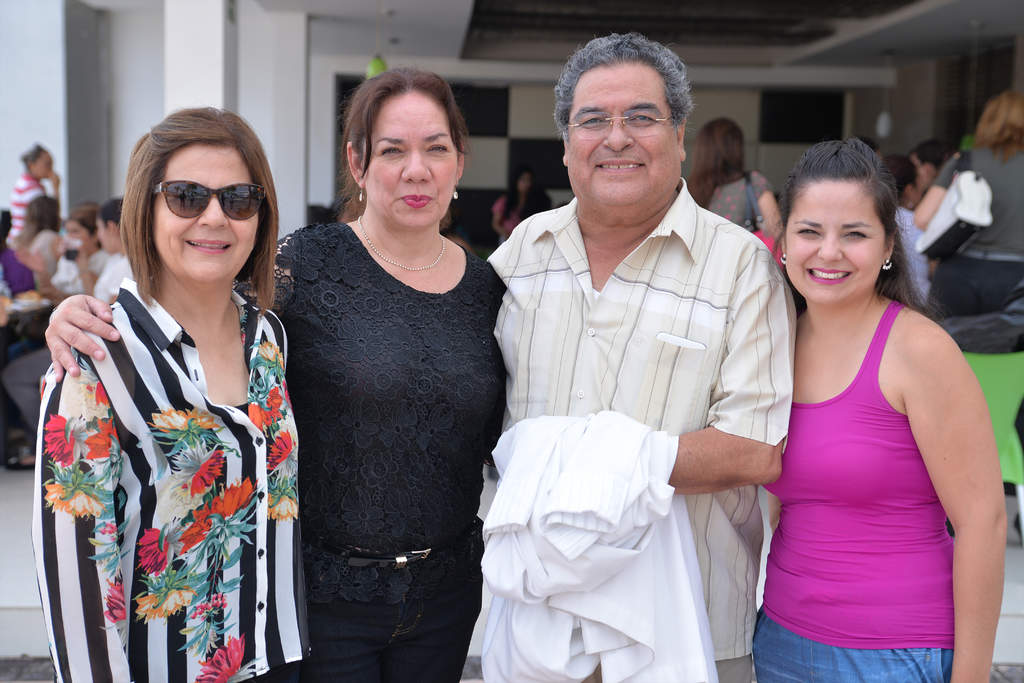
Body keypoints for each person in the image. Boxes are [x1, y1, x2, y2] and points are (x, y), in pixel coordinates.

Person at [45, 68, 506, 683]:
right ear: (357, 162)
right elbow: (192, 281)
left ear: (460, 161)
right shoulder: (304, 267)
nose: (416, 170)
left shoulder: (486, 289)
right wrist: (76, 313)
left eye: (436, 148)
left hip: (432, 596)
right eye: (393, 149)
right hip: (324, 603)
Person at [488, 33, 794, 683]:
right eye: (593, 120)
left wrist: (602, 462)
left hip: (690, 628)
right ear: (566, 143)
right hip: (538, 624)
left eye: (641, 117)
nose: (617, 138)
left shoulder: (741, 267)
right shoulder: (520, 256)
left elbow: (755, 449)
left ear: (679, 136)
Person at [32, 107, 307, 682]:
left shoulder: (269, 339)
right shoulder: (93, 362)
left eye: (239, 199)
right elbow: (76, 589)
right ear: (145, 208)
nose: (215, 217)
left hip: (278, 659)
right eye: (186, 196)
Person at [754, 139, 1006, 683]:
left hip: (896, 653)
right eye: (810, 231)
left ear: (889, 244)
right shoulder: (774, 344)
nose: (829, 252)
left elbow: (983, 523)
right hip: (780, 641)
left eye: (855, 234)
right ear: (783, 242)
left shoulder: (921, 350)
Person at [914, 90, 1024, 317]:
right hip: (1017, 278)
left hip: (958, 275)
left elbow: (922, 218)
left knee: (950, 340)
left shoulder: (964, 160)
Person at [688, 116, 783, 252]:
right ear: (735, 149)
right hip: (745, 262)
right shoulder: (753, 182)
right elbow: (778, 233)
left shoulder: (690, 190)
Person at [883, 153, 930, 297]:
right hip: (918, 300)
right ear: (909, 190)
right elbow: (934, 268)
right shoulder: (920, 223)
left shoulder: (867, 220)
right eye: (920, 187)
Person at [9, 143, 60, 243]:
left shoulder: (24, 182)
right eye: (47, 164)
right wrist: (56, 189)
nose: (51, 169)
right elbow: (50, 217)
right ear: (31, 165)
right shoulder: (32, 189)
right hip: (26, 240)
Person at [491, 164, 551, 241]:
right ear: (515, 181)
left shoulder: (536, 200)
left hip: (528, 238)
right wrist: (508, 236)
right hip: (508, 238)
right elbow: (495, 224)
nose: (527, 184)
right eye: (523, 180)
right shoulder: (504, 201)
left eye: (529, 180)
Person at [92, 197, 133, 304]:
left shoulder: (127, 266)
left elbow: (114, 310)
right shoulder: (115, 259)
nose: (98, 236)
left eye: (99, 228)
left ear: (111, 227)